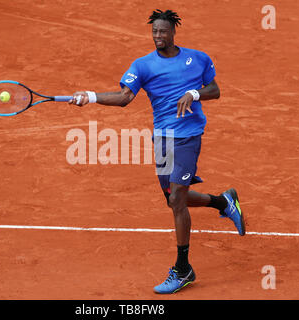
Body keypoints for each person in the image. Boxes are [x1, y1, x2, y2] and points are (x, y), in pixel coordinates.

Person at [68, 9, 246, 294]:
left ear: (173, 32)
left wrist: (194, 93)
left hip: (188, 136)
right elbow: (124, 97)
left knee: (176, 199)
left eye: (163, 32)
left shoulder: (197, 58)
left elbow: (214, 89)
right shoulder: (143, 66)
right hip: (162, 139)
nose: (158, 36)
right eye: (154, 32)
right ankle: (223, 203)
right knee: (175, 199)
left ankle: (183, 269)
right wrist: (89, 97)